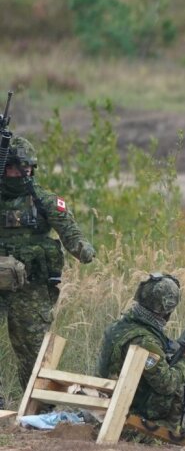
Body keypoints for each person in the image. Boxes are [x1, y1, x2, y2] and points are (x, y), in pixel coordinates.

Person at [0, 136, 95, 391]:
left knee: (32, 349)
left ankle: (37, 404)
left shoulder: (44, 201)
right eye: (16, 168)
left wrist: (83, 249)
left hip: (30, 288)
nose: (22, 173)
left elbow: (70, 232)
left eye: (27, 168)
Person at [97, 273, 185, 443]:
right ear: (167, 308)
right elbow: (167, 384)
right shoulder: (145, 340)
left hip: (110, 408)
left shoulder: (119, 327)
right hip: (133, 421)